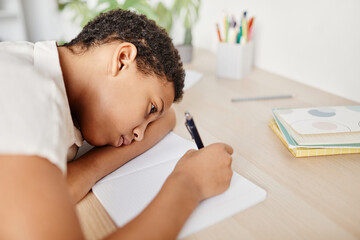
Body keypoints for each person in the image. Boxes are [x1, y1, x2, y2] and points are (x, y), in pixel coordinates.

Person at [0, 9, 233, 239]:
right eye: (151, 109)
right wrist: (189, 185)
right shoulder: (27, 91)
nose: (141, 134)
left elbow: (168, 117)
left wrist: (87, 169)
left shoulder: (54, 91)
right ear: (122, 60)